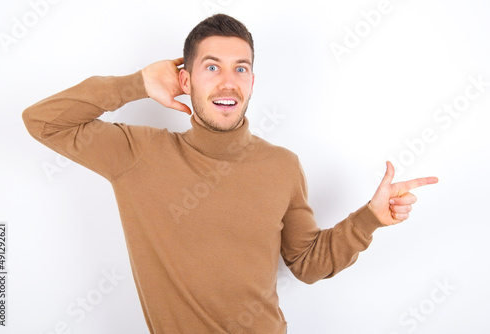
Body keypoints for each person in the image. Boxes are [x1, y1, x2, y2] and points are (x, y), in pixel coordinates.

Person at [22, 13, 438, 334]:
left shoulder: (282, 165)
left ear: (253, 82)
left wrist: (370, 219)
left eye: (240, 69)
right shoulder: (139, 154)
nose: (228, 82)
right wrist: (137, 82)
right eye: (211, 67)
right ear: (185, 79)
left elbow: (307, 263)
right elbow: (43, 121)